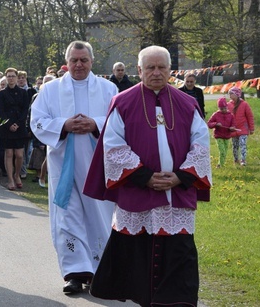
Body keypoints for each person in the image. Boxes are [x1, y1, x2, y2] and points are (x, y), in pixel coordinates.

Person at [84, 45, 212, 306]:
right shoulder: (123, 102)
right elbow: (114, 146)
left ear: (169, 70)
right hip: (138, 191)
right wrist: (145, 177)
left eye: (162, 67)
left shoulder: (188, 103)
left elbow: (201, 144)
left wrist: (181, 176)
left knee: (178, 255)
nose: (156, 72)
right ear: (140, 70)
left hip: (177, 193)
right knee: (139, 257)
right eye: (150, 67)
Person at [29, 41, 117, 294]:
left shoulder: (108, 88)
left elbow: (119, 121)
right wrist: (64, 125)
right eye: (74, 60)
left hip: (97, 165)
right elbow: (37, 122)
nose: (79, 65)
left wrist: (95, 124)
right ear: (66, 63)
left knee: (97, 215)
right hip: (63, 166)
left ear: (92, 61)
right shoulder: (49, 90)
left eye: (84, 60)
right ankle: (74, 273)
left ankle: (99, 271)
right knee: (68, 217)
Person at [0, 67, 30, 191]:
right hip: (6, 126)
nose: (11, 78)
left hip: (19, 126)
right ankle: (10, 179)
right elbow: (1, 111)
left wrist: (18, 124)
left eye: (12, 76)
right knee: (9, 153)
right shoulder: (2, 94)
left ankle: (17, 174)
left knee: (19, 154)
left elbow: (25, 110)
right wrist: (9, 124)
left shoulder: (23, 93)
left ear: (16, 77)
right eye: (8, 76)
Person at [228, 86, 254, 166]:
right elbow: (226, 117)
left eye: (231, 94)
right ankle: (236, 160)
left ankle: (243, 160)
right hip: (233, 129)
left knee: (243, 144)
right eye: (229, 94)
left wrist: (251, 128)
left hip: (243, 128)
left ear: (237, 94)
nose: (230, 95)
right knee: (235, 146)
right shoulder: (228, 105)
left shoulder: (244, 104)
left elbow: (250, 116)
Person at [207, 97, 237, 168]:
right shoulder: (216, 114)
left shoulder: (231, 115)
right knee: (222, 151)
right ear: (219, 108)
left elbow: (233, 124)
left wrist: (232, 128)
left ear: (227, 107)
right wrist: (216, 124)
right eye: (221, 108)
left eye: (224, 108)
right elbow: (209, 123)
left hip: (227, 136)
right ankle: (219, 165)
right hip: (219, 135)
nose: (223, 110)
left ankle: (222, 164)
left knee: (225, 151)